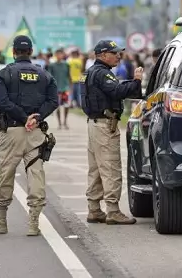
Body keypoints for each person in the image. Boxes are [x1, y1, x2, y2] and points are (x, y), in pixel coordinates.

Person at [0, 35, 58, 236]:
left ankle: (1, 221)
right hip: (35, 133)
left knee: (5, 174)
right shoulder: (45, 75)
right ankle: (33, 223)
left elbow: (3, 103)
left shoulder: (4, 74)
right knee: (36, 174)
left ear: (13, 52)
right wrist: (35, 118)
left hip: (11, 132)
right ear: (30, 52)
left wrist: (22, 117)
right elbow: (53, 101)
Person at [80, 40, 143, 225]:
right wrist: (137, 81)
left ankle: (94, 209)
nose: (118, 56)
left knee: (96, 170)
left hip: (94, 124)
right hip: (105, 125)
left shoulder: (90, 72)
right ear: (102, 54)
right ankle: (113, 211)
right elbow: (116, 91)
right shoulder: (102, 73)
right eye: (114, 53)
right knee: (111, 168)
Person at [47, 48, 71, 129]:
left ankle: (65, 122)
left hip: (65, 88)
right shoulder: (52, 65)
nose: (59, 56)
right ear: (55, 55)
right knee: (57, 107)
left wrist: (70, 87)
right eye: (58, 54)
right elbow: (49, 77)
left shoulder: (66, 65)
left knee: (66, 106)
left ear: (63, 55)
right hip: (56, 89)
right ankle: (59, 123)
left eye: (61, 54)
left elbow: (69, 76)